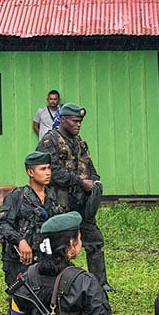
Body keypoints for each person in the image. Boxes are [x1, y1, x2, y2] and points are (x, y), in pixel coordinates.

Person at [37, 102, 111, 290]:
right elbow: (50, 170)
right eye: (74, 121)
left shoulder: (79, 142)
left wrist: (94, 182)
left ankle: (100, 283)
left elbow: (89, 165)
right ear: (63, 120)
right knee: (60, 244)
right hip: (60, 203)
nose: (78, 125)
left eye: (80, 122)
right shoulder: (50, 141)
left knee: (94, 240)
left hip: (81, 203)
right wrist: (79, 181)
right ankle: (58, 281)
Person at [0, 151, 67, 287]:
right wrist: (20, 241)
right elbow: (3, 224)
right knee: (21, 299)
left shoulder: (54, 196)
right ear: (30, 172)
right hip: (21, 261)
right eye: (43, 169)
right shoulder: (17, 196)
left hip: (48, 257)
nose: (48, 173)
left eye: (49, 168)